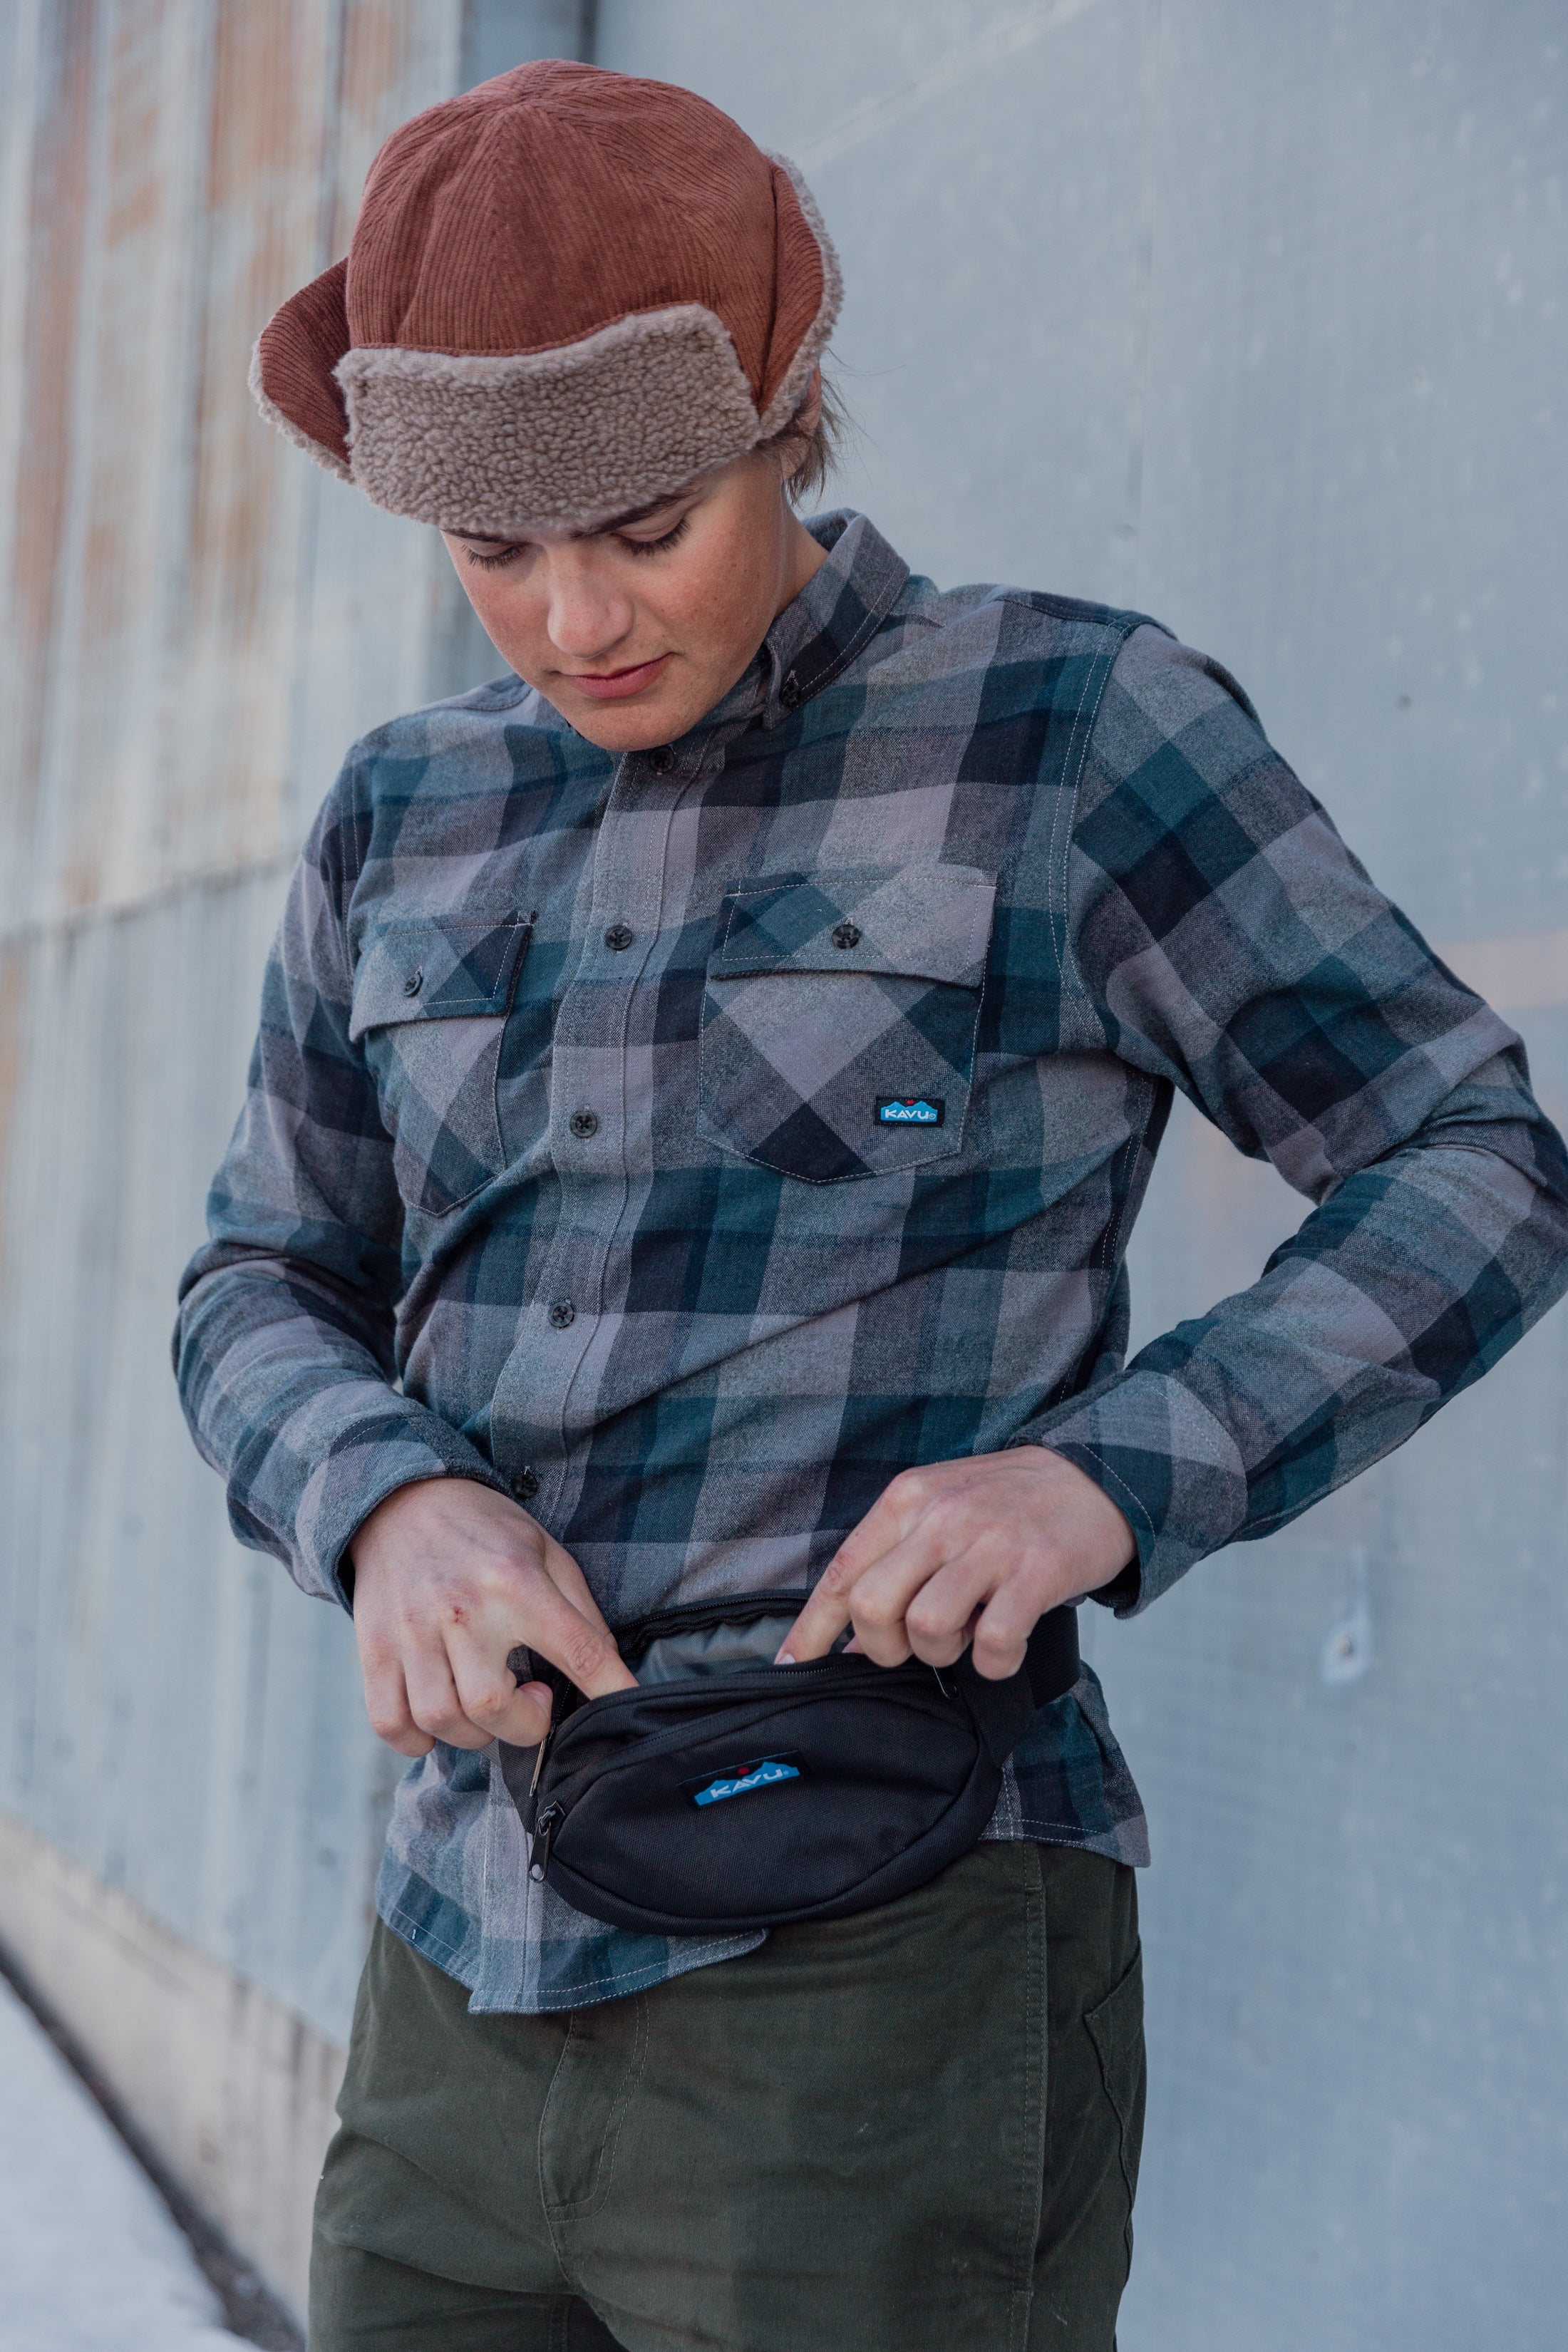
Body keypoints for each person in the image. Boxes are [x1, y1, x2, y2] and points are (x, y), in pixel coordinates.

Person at [174, 58, 1568, 2352]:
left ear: (783, 404)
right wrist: (380, 1505)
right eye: (490, 548)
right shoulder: (396, 816)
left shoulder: (1063, 733)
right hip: (448, 1980)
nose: (568, 615)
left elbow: (1471, 1155)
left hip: (873, 1979)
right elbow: (257, 1275)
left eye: (641, 519)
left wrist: (1106, 1474)